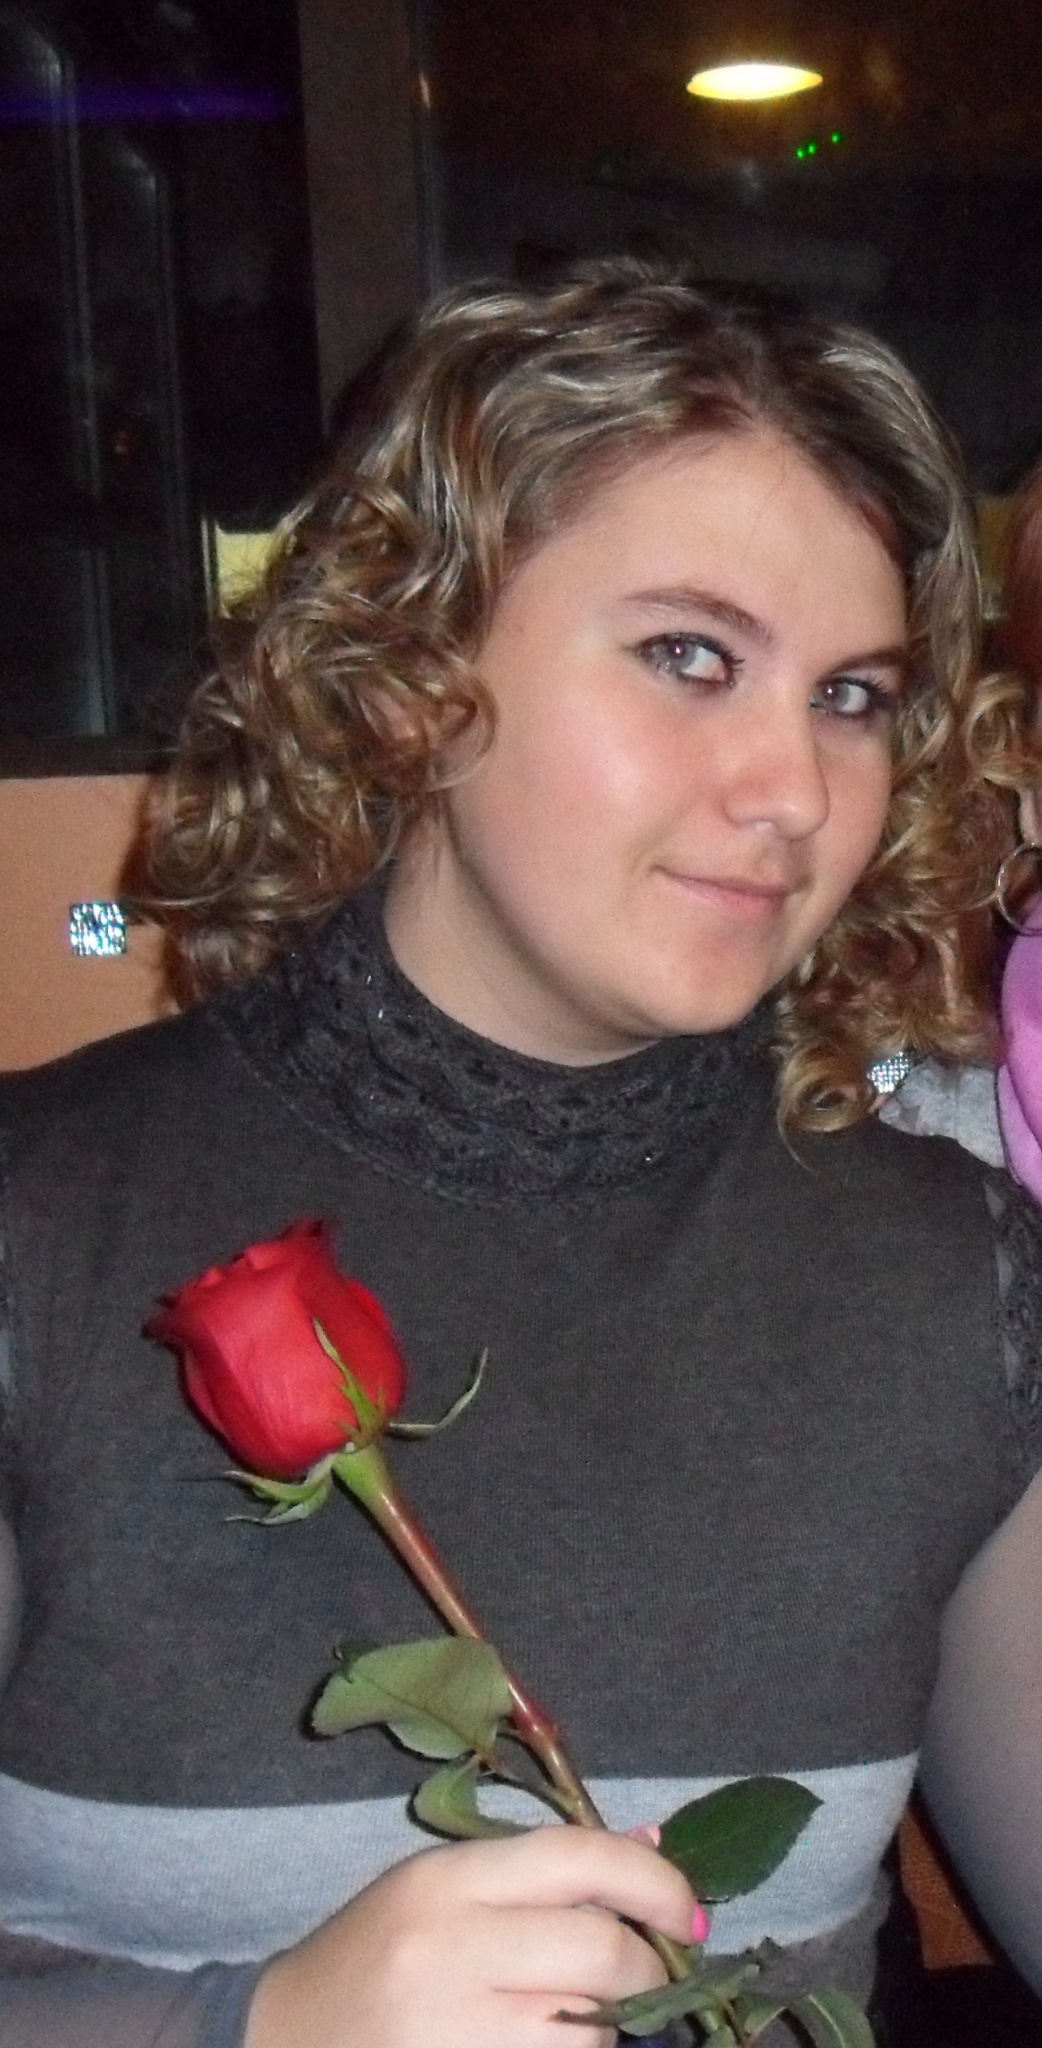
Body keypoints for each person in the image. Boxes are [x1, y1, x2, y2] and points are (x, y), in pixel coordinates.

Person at [0, 260, 1038, 2048]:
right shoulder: (37, 1234)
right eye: (688, 657)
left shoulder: (956, 1280)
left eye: (851, 697)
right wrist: (248, 2026)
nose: (794, 788)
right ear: (412, 671)